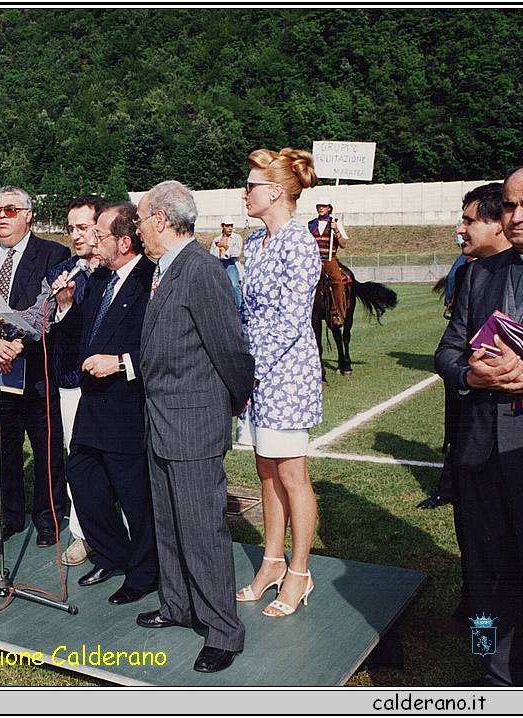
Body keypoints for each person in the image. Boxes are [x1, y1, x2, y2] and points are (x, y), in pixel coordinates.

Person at [134, 180, 254, 673]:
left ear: (161, 219)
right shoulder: (166, 270)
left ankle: (223, 629)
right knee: (169, 521)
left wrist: (226, 404)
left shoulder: (200, 270)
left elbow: (231, 349)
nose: (137, 230)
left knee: (202, 529)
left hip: (192, 424)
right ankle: (179, 605)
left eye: (140, 220)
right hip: (162, 421)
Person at [435, 163, 523, 687]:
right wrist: (471, 375)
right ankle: (487, 660)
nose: (517, 216)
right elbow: (448, 350)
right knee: (482, 565)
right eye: (511, 205)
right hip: (478, 450)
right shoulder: (479, 273)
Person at [52, 202, 159, 604]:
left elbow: (161, 346)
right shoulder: (99, 280)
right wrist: (65, 304)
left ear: (125, 242)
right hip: (92, 407)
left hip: (127, 406)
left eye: (100, 235)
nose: (93, 241)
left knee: (134, 496)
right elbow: (83, 337)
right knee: (82, 480)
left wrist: (121, 363)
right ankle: (117, 554)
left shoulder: (151, 281)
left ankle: (145, 571)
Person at [234, 148, 323, 625]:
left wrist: (251, 372)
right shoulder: (255, 241)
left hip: (286, 375)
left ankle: (299, 570)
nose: (244, 192)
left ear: (274, 192)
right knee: (266, 470)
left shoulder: (299, 242)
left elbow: (290, 322)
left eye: (250, 186)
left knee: (292, 475)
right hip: (257, 375)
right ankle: (271, 562)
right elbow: (248, 313)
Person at [0, 186, 71, 548]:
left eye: (10, 210)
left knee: (46, 451)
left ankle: (48, 518)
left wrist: (20, 342)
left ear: (28, 214)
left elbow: (51, 310)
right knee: (2, 447)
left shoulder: (54, 254)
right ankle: (8, 515)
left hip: (37, 370)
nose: (2, 217)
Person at [420, 183, 509, 511]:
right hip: (474, 417)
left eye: (468, 221)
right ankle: (449, 487)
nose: (460, 230)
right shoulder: (472, 274)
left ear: (498, 224)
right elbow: (447, 350)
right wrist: (468, 375)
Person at [48, 194, 110, 567]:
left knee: (119, 463)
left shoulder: (119, 267)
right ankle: (82, 532)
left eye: (83, 227)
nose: (76, 235)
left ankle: (117, 530)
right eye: (71, 228)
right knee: (79, 458)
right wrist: (64, 304)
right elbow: (61, 329)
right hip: (72, 379)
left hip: (117, 382)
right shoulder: (65, 269)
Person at [309, 196, 349, 328]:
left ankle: (335, 312)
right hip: (314, 260)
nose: (321, 208)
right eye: (319, 205)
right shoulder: (311, 224)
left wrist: (336, 230)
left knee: (337, 281)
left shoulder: (335, 222)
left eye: (324, 206)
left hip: (329, 259)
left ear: (329, 208)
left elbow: (343, 244)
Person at [210, 216, 244, 309]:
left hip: (231, 264)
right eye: (227, 226)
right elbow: (212, 254)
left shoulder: (237, 238)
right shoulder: (216, 239)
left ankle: (239, 307)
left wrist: (226, 247)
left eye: (231, 226)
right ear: (222, 226)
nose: (230, 228)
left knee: (234, 285)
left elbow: (237, 253)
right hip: (219, 264)